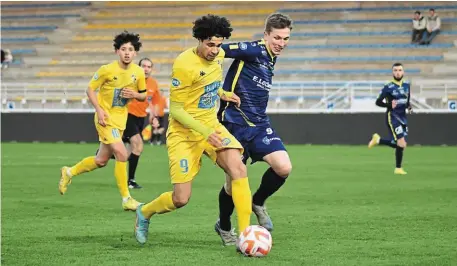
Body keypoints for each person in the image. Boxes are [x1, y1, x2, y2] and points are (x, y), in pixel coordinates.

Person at [133, 15, 252, 248]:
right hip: (184, 134)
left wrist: (222, 94)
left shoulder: (217, 56)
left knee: (238, 168)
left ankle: (245, 235)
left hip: (211, 126)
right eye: (210, 44)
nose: (215, 50)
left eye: (219, 45)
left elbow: (210, 84)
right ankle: (144, 212)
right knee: (181, 199)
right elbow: (176, 109)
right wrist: (204, 132)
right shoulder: (184, 64)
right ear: (199, 39)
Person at [214, 13, 293, 245]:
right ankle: (225, 226)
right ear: (266, 34)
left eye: (286, 39)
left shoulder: (271, 56)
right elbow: (217, 52)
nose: (281, 43)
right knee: (232, 184)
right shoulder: (252, 49)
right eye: (277, 37)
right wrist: (219, 90)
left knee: (283, 167)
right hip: (233, 123)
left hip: (259, 124)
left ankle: (257, 202)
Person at [59, 31, 146, 211]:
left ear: (135, 53)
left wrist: (135, 94)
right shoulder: (107, 69)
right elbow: (90, 90)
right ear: (117, 51)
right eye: (123, 49)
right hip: (105, 119)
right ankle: (126, 199)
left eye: (131, 49)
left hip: (121, 120)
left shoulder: (138, 72)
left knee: (101, 160)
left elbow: (143, 96)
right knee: (122, 154)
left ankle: (68, 172)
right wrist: (99, 110)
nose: (127, 53)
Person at [368, 62, 412, 175]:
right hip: (392, 117)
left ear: (403, 72)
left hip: (403, 117)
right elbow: (377, 102)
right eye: (395, 70)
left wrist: (409, 107)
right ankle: (397, 168)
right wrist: (388, 105)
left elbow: (407, 101)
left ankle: (378, 140)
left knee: (402, 144)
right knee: (401, 143)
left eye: (400, 70)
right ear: (392, 72)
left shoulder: (407, 85)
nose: (398, 72)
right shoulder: (388, 87)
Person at [123, 57, 158, 189]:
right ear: (138, 67)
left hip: (141, 118)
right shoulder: (132, 80)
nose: (146, 69)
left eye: (149, 67)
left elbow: (153, 101)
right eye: (144, 66)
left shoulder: (153, 83)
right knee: (138, 146)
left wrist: (153, 117)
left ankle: (107, 154)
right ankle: (131, 181)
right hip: (128, 116)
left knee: (126, 155)